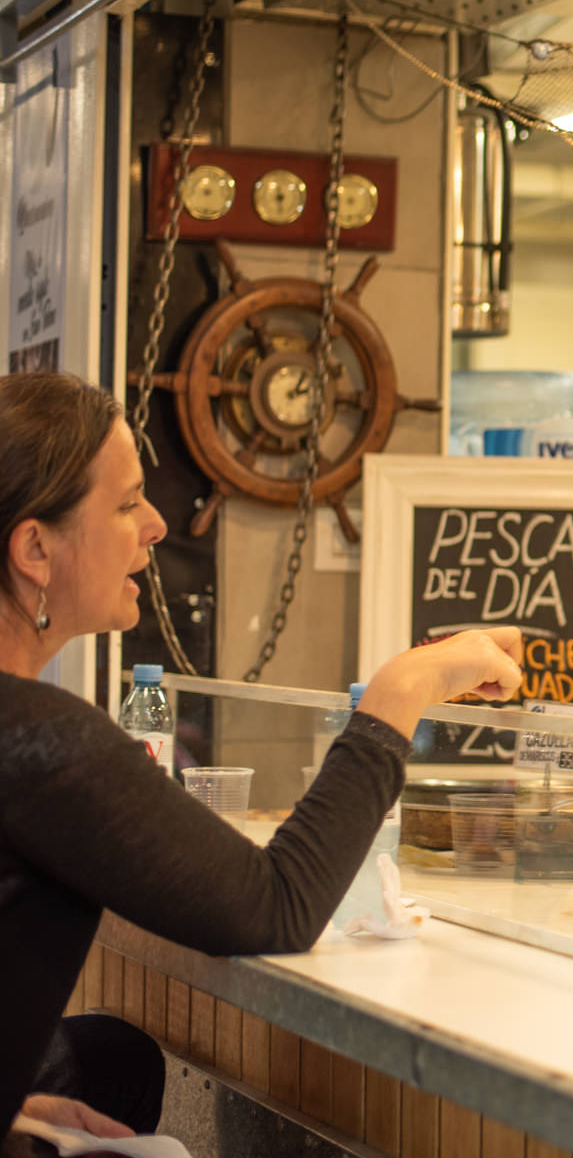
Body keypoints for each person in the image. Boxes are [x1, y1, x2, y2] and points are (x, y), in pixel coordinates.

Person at [0, 371, 525, 1151]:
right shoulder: (36, 741)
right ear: (36, 548)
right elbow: (274, 906)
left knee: (117, 1065)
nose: (154, 525)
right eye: (123, 503)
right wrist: (407, 685)